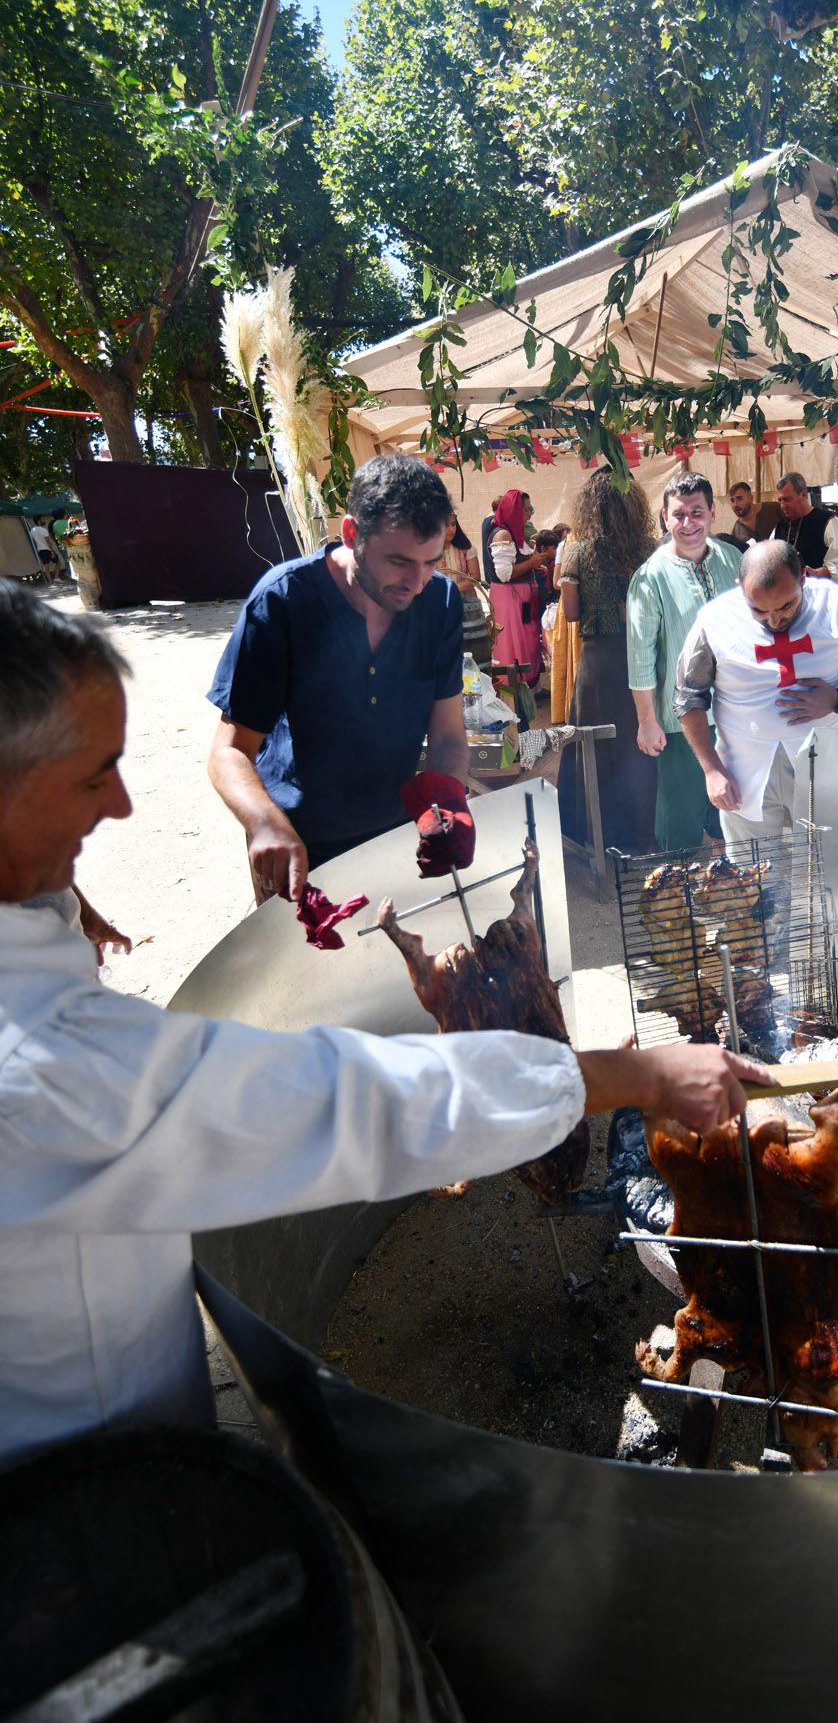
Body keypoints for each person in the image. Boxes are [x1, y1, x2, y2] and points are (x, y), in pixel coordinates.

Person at [0, 582, 770, 1467]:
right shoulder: (39, 1061)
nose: (125, 807)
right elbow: (348, 1104)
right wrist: (635, 1077)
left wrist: (63, 900)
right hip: (77, 1480)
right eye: (95, 775)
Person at [207, 455, 470, 903]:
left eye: (430, 562)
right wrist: (264, 822)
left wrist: (447, 805)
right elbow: (229, 752)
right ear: (352, 533)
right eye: (399, 561)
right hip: (299, 847)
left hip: (396, 836)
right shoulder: (283, 601)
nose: (417, 582)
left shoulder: (440, 602)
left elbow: (447, 734)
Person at [674, 540, 838, 949]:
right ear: (739, 585)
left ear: (804, 580)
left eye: (786, 607)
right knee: (750, 877)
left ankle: (817, 958)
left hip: (820, 768)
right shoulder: (714, 619)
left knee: (821, 868)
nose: (775, 620)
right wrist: (711, 770)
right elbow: (688, 698)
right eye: (759, 610)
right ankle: (759, 967)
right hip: (741, 769)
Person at [626, 472, 742, 850]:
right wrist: (647, 722)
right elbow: (640, 655)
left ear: (712, 513)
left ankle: (734, 892)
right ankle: (678, 901)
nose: (688, 523)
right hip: (681, 722)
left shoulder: (735, 560)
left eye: (696, 512)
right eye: (679, 515)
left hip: (737, 712)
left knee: (736, 811)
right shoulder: (650, 578)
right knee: (681, 817)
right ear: (664, 517)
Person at [556, 468, 658, 853]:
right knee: (639, 743)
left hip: (597, 662)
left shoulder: (576, 551)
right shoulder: (649, 548)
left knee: (593, 743)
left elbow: (569, 614)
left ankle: (593, 834)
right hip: (640, 659)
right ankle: (641, 832)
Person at [488, 489, 552, 687]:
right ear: (513, 510)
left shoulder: (515, 533)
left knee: (527, 642)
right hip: (510, 600)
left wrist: (534, 565)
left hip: (521, 599)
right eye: (526, 510)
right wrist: (531, 563)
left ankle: (528, 687)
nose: (529, 514)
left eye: (530, 509)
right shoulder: (503, 535)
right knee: (515, 645)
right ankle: (516, 690)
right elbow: (504, 574)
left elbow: (517, 564)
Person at [766, 473, 838, 582]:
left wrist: (816, 573)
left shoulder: (827, 522)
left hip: (819, 594)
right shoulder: (780, 527)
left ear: (803, 495)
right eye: (780, 500)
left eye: (787, 499)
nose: (783, 505)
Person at [441, 510, 492, 672]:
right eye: (446, 525)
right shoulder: (427, 551)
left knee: (472, 655)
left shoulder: (466, 548)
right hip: (440, 607)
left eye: (453, 524)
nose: (451, 529)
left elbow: (474, 577)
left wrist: (453, 588)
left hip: (467, 607)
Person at [724, 481, 782, 549]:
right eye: (732, 500)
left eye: (739, 499)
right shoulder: (736, 532)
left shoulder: (774, 508)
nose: (735, 504)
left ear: (751, 498)